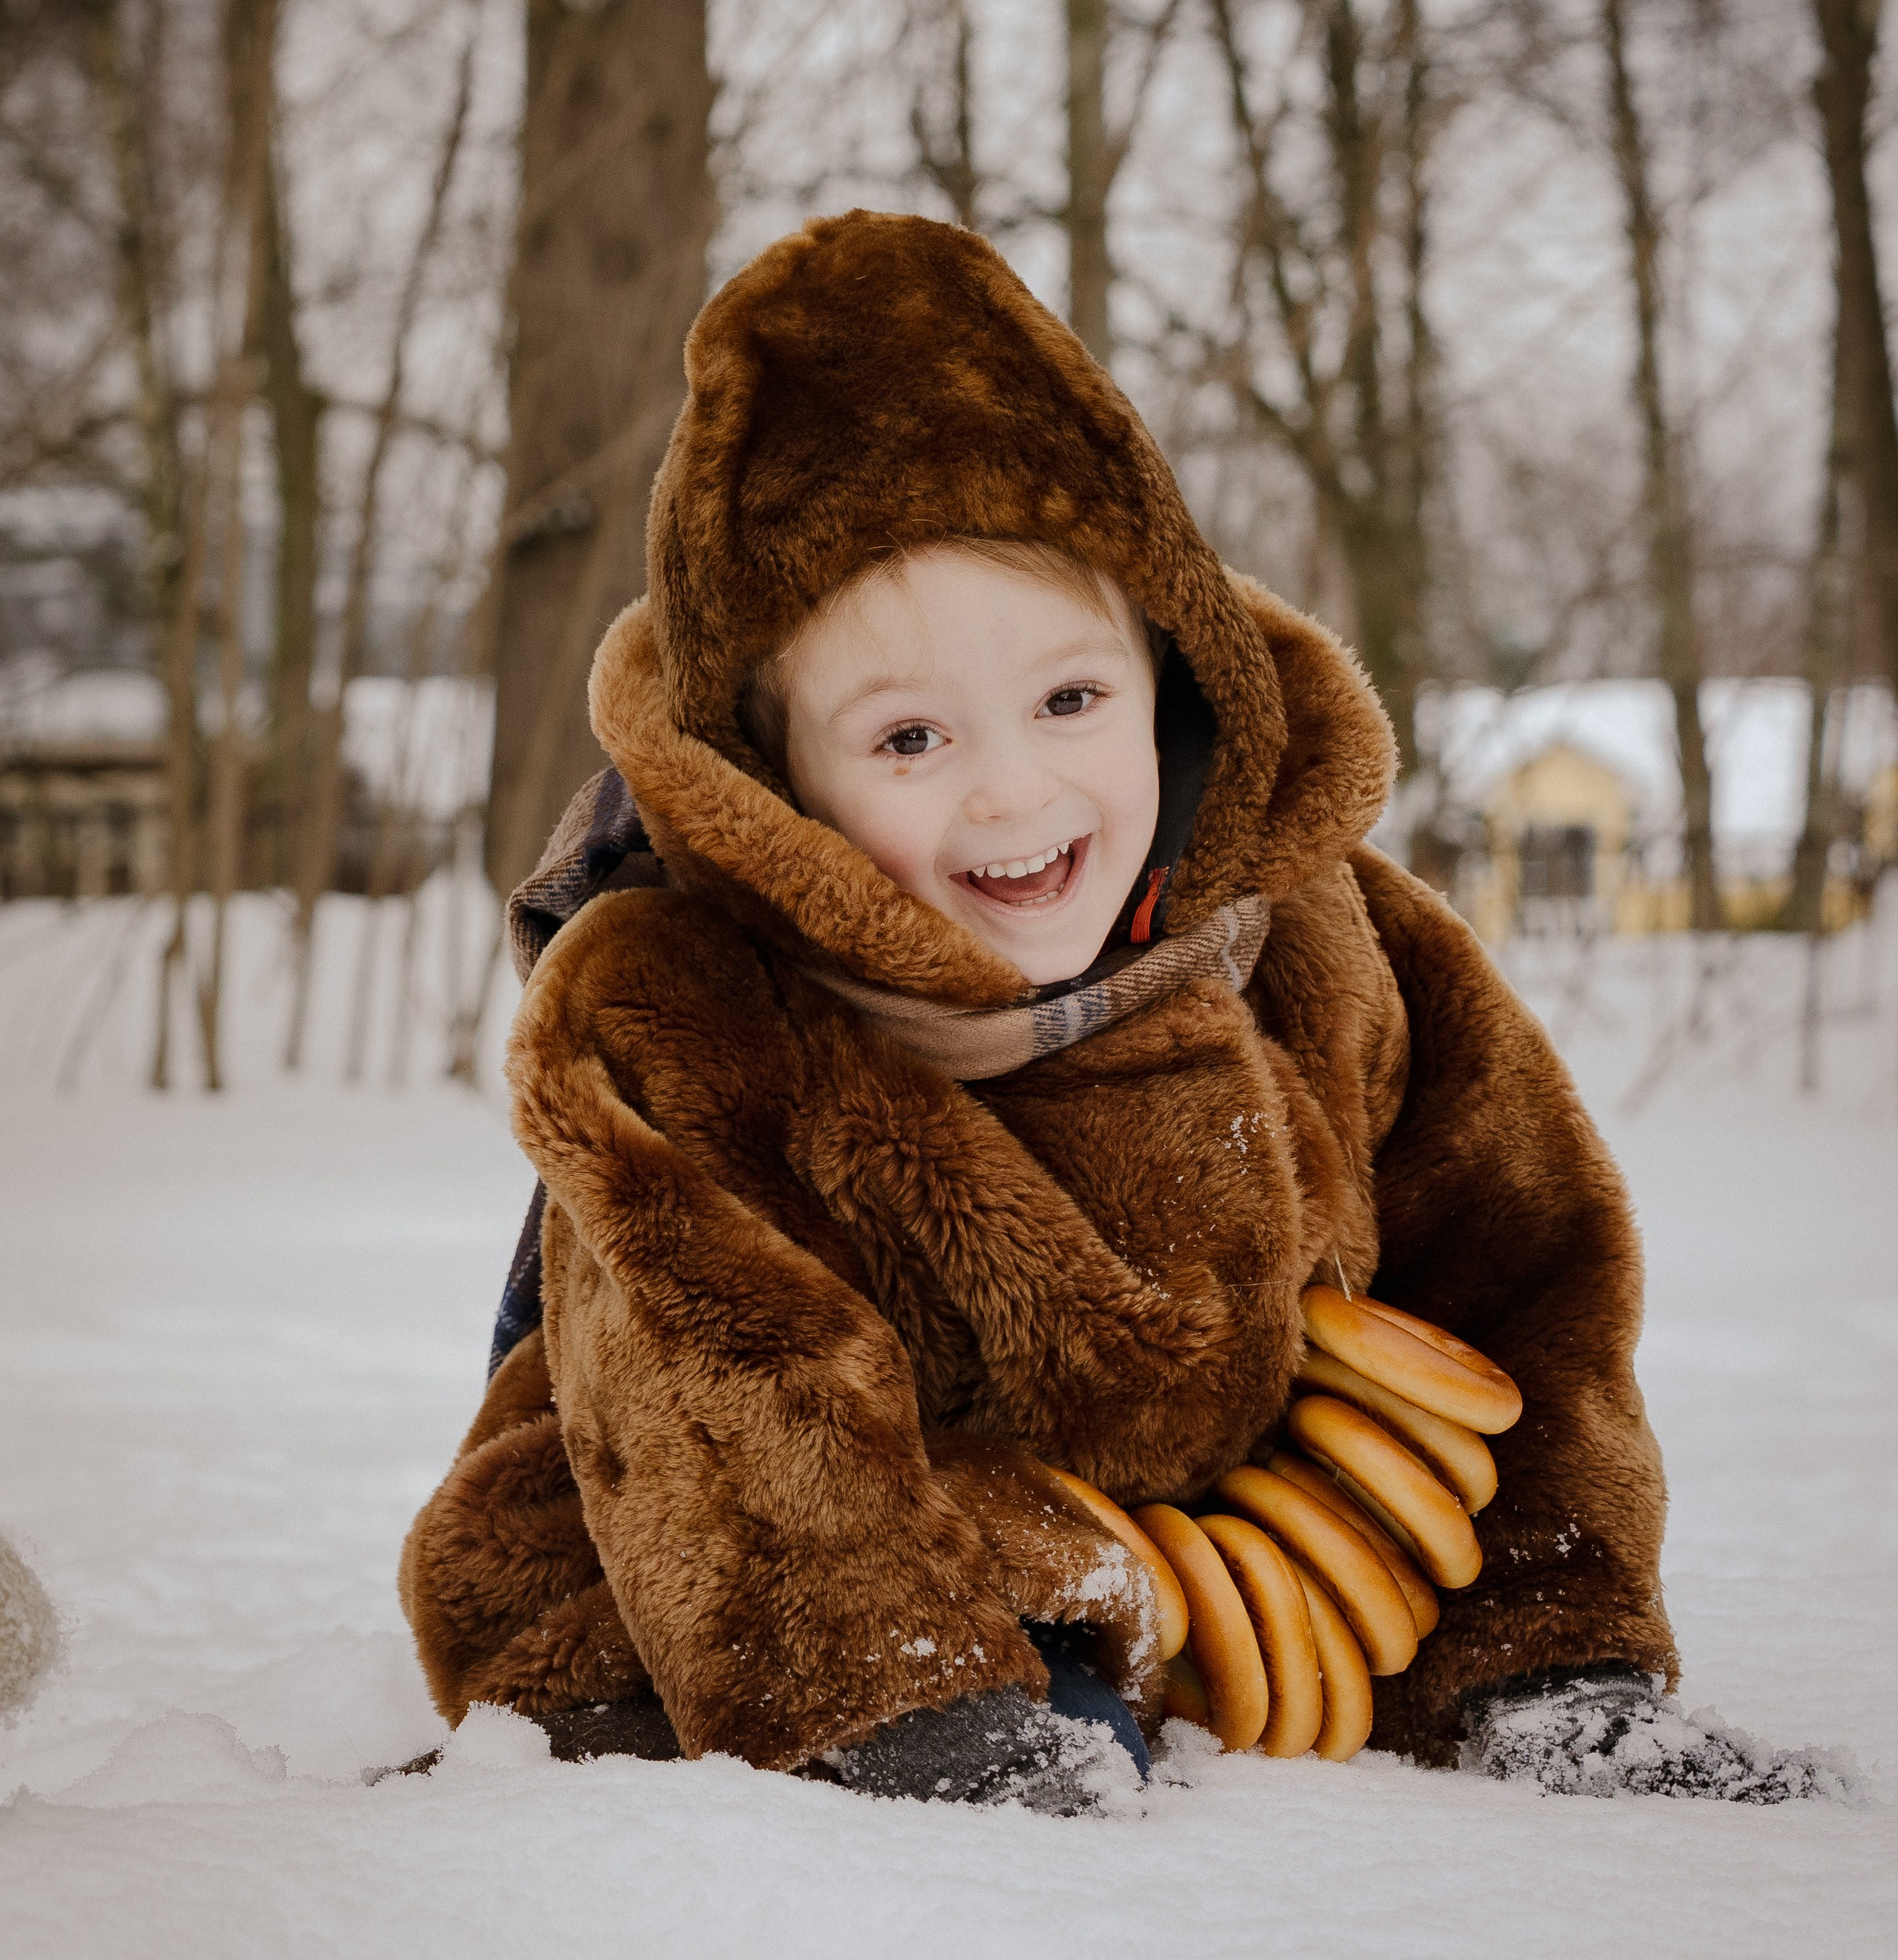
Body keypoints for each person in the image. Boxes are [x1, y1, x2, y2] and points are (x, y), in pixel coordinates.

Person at [397, 211, 1828, 1809]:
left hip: (1236, 1542)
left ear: (1171, 675)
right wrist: (905, 1701)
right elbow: (729, 1393)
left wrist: (1554, 1643)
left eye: (1068, 700)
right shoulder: (687, 1015)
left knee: (1365, 1566)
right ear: (771, 784)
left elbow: (1530, 1271)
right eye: (908, 741)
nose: (1015, 792)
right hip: (751, 1561)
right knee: (718, 1643)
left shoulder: (1324, 938)